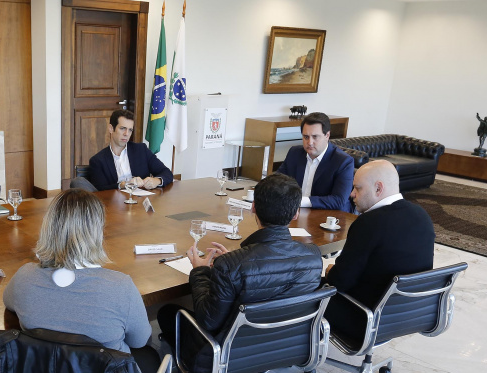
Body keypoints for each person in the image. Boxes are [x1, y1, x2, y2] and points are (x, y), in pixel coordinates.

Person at [3, 188, 161, 373]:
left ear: (48, 227)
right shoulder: (120, 287)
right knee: (149, 355)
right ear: (97, 232)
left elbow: (8, 302)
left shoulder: (24, 277)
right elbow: (139, 341)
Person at [157, 173, 323, 346]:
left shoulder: (231, 265)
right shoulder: (313, 256)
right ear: (296, 213)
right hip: (286, 345)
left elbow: (207, 321)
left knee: (167, 312)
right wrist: (235, 259)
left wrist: (200, 271)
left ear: (253, 208)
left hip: (229, 355)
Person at [325, 160, 434, 337]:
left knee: (307, 289)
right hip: (410, 315)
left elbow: (340, 282)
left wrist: (331, 272)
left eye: (358, 188)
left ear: (378, 188)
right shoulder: (422, 216)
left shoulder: (368, 223)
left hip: (364, 317)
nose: (352, 194)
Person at [275, 112, 354, 212]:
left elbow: (338, 200)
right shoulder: (294, 153)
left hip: (329, 216)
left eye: (315, 137)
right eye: (306, 137)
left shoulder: (343, 162)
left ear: (327, 135)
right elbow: (277, 181)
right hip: (296, 211)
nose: (310, 142)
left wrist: (300, 201)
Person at [87, 109, 174, 192]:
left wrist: (156, 181)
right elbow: (99, 190)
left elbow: (166, 173)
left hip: (141, 202)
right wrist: (123, 184)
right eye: (122, 128)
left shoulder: (141, 150)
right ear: (111, 128)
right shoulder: (98, 160)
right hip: (114, 204)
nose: (126, 134)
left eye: (130, 130)